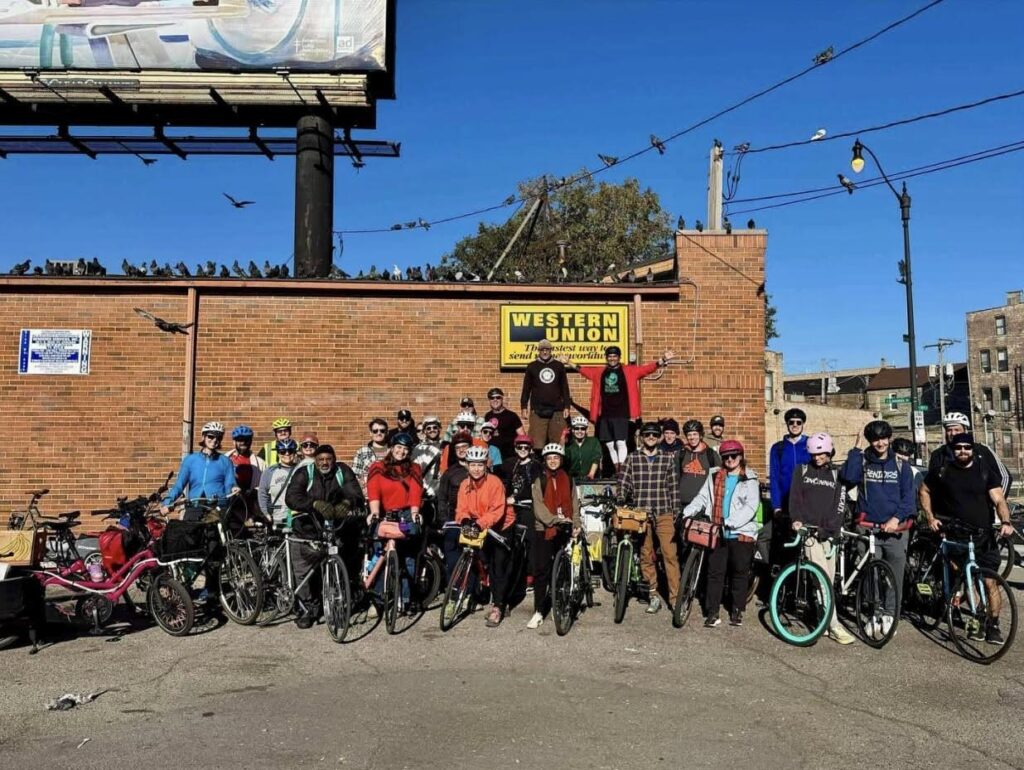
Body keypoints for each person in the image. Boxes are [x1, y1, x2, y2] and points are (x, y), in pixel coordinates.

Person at [920, 432, 1015, 645]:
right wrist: (930, 517)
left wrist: (1006, 522)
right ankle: (957, 609)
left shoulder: (984, 471)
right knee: (961, 577)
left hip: (983, 535)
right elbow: (924, 491)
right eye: (958, 447)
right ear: (952, 450)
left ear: (973, 449)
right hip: (955, 534)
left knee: (990, 583)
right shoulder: (942, 472)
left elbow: (999, 499)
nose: (963, 451)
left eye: (967, 447)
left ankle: (993, 624)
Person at [840, 420, 915, 636]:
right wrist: (855, 451)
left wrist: (896, 519)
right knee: (869, 575)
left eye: (883, 438)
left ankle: (890, 613)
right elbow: (847, 479)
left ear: (889, 438)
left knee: (894, 576)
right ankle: (874, 612)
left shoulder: (902, 466)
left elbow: (908, 499)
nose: (879, 443)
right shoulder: (863, 462)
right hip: (868, 529)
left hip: (895, 531)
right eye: (875, 439)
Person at [682, 439, 761, 627]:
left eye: (734, 456)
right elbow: (702, 497)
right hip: (717, 531)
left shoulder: (750, 478)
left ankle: (736, 610)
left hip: (741, 533)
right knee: (715, 572)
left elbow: (751, 506)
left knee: (739, 573)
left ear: (741, 457)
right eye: (726, 456)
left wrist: (731, 523)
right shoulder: (714, 475)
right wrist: (686, 512)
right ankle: (713, 611)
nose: (730, 459)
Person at [284, 444, 364, 628]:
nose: (325, 463)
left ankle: (339, 603)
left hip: (335, 527)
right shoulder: (305, 473)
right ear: (315, 461)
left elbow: (355, 493)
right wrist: (314, 504)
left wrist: (347, 502)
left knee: (342, 564)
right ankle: (306, 609)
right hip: (307, 528)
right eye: (321, 460)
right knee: (304, 571)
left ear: (334, 460)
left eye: (329, 459)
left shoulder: (342, 471)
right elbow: (292, 497)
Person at [786, 433, 854, 644]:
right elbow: (795, 498)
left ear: (829, 452)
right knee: (822, 578)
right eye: (814, 454)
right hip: (809, 534)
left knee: (826, 579)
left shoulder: (837, 475)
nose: (817, 458)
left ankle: (822, 619)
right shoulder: (802, 471)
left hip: (829, 533)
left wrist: (830, 529)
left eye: (822, 454)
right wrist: (796, 520)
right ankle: (834, 625)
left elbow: (840, 506)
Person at [565, 346, 676, 473]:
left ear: (619, 357)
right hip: (605, 414)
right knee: (609, 444)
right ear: (606, 358)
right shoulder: (600, 372)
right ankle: (617, 469)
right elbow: (584, 370)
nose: (612, 358)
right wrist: (569, 362)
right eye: (610, 356)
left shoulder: (629, 371)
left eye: (615, 356)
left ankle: (623, 470)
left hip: (621, 413)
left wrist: (662, 359)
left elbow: (647, 369)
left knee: (620, 442)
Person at [619, 421, 680, 614]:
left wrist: (676, 510)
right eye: (647, 435)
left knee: (670, 555)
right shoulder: (633, 458)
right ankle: (653, 594)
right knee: (646, 555)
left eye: (654, 435)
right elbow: (624, 481)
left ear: (659, 437)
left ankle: (675, 598)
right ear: (642, 437)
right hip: (641, 514)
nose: (651, 438)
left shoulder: (667, 459)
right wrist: (621, 498)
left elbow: (673, 487)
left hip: (664, 511)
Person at [455, 445, 516, 627]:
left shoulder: (495, 482)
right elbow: (461, 508)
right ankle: (478, 592)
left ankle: (498, 606)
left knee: (498, 565)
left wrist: (479, 523)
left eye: (480, 465)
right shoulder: (464, 484)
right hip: (479, 523)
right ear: (467, 465)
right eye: (472, 465)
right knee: (478, 558)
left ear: (486, 465)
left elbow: (497, 510)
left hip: (501, 525)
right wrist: (464, 519)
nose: (476, 469)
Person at [366, 433, 424, 610]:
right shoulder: (378, 467)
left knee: (407, 557)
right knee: (379, 556)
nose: (402, 452)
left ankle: (404, 598)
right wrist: (374, 513)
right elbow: (374, 490)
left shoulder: (414, 468)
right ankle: (377, 601)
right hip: (384, 513)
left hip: (405, 514)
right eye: (399, 447)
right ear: (391, 447)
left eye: (406, 449)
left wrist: (415, 512)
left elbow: (415, 491)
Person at [526, 443, 580, 629]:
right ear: (545, 461)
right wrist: (554, 520)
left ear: (561, 459)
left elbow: (574, 504)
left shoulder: (569, 479)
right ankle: (539, 610)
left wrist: (576, 524)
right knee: (542, 570)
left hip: (564, 527)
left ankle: (561, 600)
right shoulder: (540, 480)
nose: (553, 461)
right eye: (549, 458)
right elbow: (538, 507)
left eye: (556, 458)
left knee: (563, 568)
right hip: (545, 528)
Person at [162, 421, 238, 520]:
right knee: (187, 533)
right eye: (211, 436)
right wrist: (167, 503)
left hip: (217, 507)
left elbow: (230, 484)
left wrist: (234, 488)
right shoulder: (190, 460)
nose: (214, 440)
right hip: (194, 505)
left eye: (218, 438)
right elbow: (179, 485)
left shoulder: (225, 461)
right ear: (203, 437)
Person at [928, 412, 1011, 496]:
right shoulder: (938, 454)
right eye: (949, 430)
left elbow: (1005, 477)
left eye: (957, 430)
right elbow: (931, 485)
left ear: (965, 430)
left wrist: (997, 504)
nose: (952, 433)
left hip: (982, 506)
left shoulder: (982, 450)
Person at [520, 339, 572, 447]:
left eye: (547, 349)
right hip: (538, 410)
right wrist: (524, 406)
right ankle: (538, 463)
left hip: (557, 410)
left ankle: (558, 463)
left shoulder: (559, 366)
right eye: (542, 349)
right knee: (537, 443)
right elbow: (526, 388)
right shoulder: (532, 366)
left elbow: (564, 387)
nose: (545, 352)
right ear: (538, 350)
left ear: (551, 350)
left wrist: (567, 406)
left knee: (558, 443)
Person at [769, 408, 810, 518]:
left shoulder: (810, 444)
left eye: (798, 422)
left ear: (803, 424)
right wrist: (776, 506)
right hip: (785, 502)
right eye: (791, 422)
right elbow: (774, 478)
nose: (795, 425)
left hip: (808, 501)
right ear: (787, 424)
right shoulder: (778, 448)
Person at [677, 420, 721, 510]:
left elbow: (719, 479)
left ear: (700, 435)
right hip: (682, 503)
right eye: (689, 435)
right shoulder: (680, 454)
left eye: (695, 434)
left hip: (704, 505)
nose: (692, 437)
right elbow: (675, 478)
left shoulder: (711, 455)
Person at [225, 424, 266, 518]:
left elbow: (263, 486)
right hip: (228, 504)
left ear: (251, 441)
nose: (243, 442)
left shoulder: (260, 463)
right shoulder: (225, 460)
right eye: (239, 439)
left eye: (246, 439)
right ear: (234, 441)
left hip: (250, 505)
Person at [257, 438, 300, 527]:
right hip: (277, 518)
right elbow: (262, 493)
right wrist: (265, 513)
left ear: (295, 452)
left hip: (298, 518)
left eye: (290, 450)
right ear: (278, 453)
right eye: (282, 451)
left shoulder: (301, 470)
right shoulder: (270, 471)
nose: (287, 454)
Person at [500, 435, 542, 526]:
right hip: (512, 505)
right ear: (515, 449)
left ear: (530, 449)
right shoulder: (512, 464)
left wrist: (515, 498)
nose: (523, 449)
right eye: (520, 447)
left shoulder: (535, 466)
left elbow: (533, 488)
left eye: (526, 447)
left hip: (527, 505)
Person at [484, 387, 526, 461]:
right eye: (492, 398)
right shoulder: (487, 416)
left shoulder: (512, 415)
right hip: (493, 456)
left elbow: (522, 435)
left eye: (498, 397)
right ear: (489, 400)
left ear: (502, 399)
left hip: (510, 456)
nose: (495, 400)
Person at [412, 416, 444, 503]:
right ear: (425, 431)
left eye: (435, 427)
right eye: (428, 428)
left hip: (442, 491)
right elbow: (414, 473)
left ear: (439, 429)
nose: (432, 430)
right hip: (426, 491)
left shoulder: (447, 446)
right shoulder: (418, 449)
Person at [352, 418, 390, 491]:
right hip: (369, 495)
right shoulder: (362, 452)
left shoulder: (394, 452)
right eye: (375, 431)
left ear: (387, 432)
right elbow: (355, 474)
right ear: (370, 433)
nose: (379, 433)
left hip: (390, 495)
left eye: (382, 430)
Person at [565, 415, 603, 482]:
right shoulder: (569, 445)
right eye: (577, 428)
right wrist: (562, 440)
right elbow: (563, 458)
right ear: (573, 430)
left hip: (590, 478)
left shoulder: (593, 442)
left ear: (586, 430)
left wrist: (591, 474)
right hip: (573, 479)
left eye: (582, 429)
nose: (580, 431)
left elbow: (596, 459)